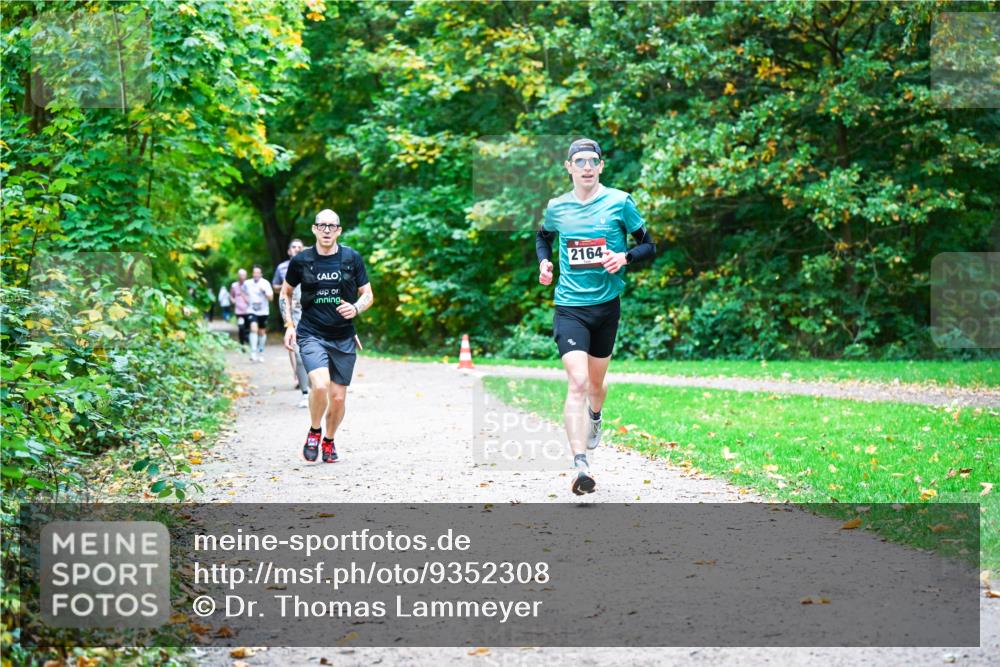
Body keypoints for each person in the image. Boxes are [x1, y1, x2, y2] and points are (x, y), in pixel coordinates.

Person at [535, 138, 656, 495]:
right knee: (578, 382)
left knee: (596, 386)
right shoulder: (557, 207)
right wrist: (544, 261)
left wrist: (626, 258)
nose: (587, 166)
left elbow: (649, 243)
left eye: (593, 161)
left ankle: (596, 416)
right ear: (569, 167)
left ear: (601, 166)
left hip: (606, 307)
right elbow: (542, 238)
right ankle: (579, 465)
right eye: (580, 161)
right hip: (570, 306)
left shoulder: (620, 201)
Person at [281, 209, 373, 464]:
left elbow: (368, 294)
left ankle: (329, 440)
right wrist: (290, 324)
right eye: (322, 225)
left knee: (338, 397)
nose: (327, 230)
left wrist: (355, 308)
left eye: (332, 226)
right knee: (320, 385)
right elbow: (285, 293)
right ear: (314, 229)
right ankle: (314, 431)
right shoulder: (301, 260)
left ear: (339, 231)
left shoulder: (351, 258)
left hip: (343, 336)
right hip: (312, 333)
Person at [273, 239, 306, 390]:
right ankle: (297, 374)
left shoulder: (309, 264)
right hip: (289, 308)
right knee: (294, 342)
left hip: (305, 307)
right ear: (288, 251)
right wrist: (287, 287)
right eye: (294, 247)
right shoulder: (282, 268)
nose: (297, 249)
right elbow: (275, 287)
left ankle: (306, 375)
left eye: (300, 247)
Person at [245, 264, 274, 363]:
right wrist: (246, 301)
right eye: (254, 272)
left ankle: (261, 351)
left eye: (258, 272)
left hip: (263, 311)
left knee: (261, 332)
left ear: (261, 274)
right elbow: (242, 292)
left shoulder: (265, 283)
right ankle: (253, 352)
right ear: (252, 273)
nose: (256, 274)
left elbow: (271, 298)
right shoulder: (247, 283)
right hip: (252, 310)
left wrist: (264, 291)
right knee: (253, 329)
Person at [230, 269, 251, 351]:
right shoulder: (234, 285)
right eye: (240, 275)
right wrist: (233, 300)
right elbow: (231, 295)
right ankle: (242, 345)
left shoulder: (249, 285)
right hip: (239, 311)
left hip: (248, 310)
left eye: (244, 275)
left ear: (246, 276)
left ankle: (247, 341)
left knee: (247, 328)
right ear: (238, 276)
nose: (242, 277)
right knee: (241, 327)